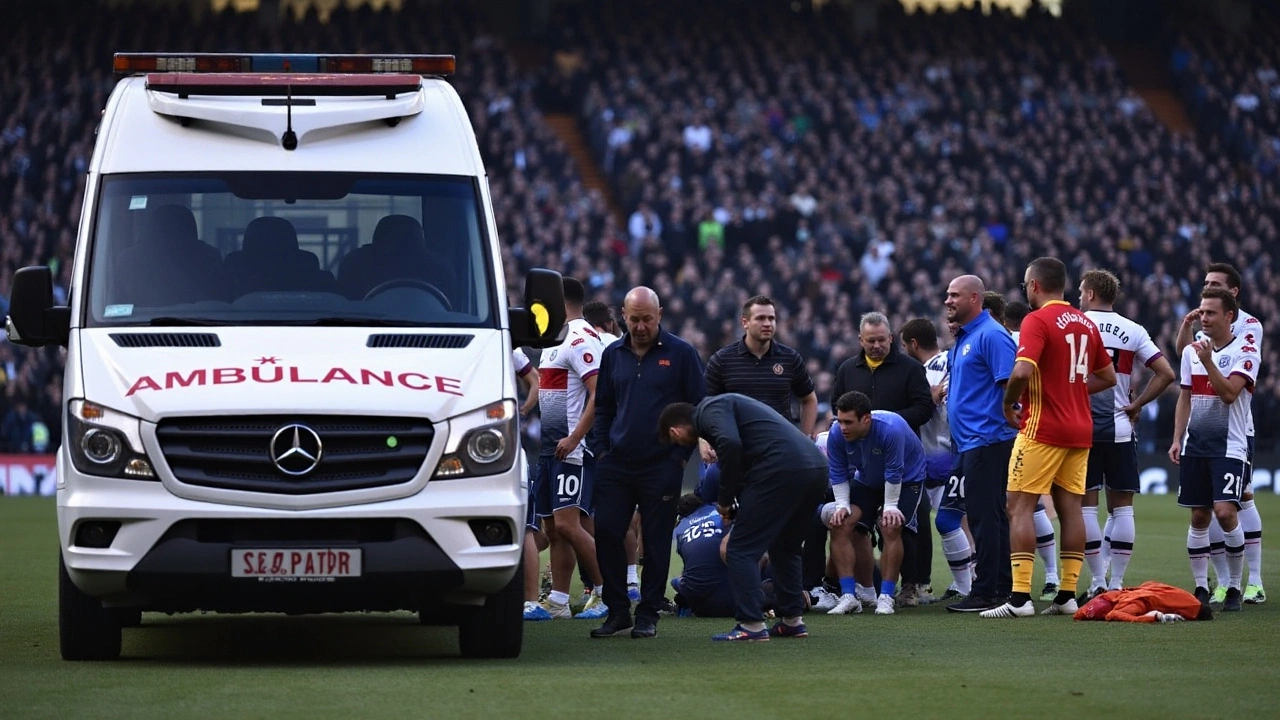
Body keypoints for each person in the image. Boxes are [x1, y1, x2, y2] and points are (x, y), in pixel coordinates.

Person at [982, 258, 1115, 619]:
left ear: (1035, 286)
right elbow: (1108, 376)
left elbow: (1023, 369)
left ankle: (1021, 598)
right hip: (1080, 429)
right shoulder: (1085, 322)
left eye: (1026, 284)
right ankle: (1068, 595)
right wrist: (1071, 389)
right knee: (1072, 509)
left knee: (1019, 506)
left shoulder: (1036, 320)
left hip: (1043, 428)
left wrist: (1010, 402)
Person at [659, 393, 828, 641]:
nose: (681, 444)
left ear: (675, 430)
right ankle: (792, 621)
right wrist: (736, 505)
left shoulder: (709, 408)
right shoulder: (736, 410)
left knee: (739, 550)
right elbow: (744, 460)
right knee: (785, 547)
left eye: (675, 439)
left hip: (781, 469)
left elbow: (730, 444)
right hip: (815, 467)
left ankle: (751, 624)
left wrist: (725, 501)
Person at [589, 286, 705, 639]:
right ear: (623, 315)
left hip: (661, 465)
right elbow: (604, 405)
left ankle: (649, 612)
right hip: (616, 463)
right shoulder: (613, 354)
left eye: (647, 319)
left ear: (660, 315)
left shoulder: (681, 353)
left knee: (655, 542)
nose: (640, 326)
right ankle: (618, 610)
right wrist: (602, 448)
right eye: (634, 319)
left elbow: (697, 408)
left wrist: (678, 457)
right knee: (607, 532)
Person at [1079, 269, 1176, 598]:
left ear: (1090, 294)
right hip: (1120, 427)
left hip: (1081, 428)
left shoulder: (1075, 324)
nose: (1080, 296)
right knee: (1122, 509)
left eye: (1081, 291)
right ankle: (1118, 582)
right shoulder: (1132, 330)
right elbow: (1166, 373)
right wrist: (1137, 405)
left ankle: (1096, 583)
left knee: (1086, 509)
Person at [1175, 263, 1266, 605]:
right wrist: (1175, 438)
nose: (1203, 317)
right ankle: (1204, 585)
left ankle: (1242, 584)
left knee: (1231, 508)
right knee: (1200, 514)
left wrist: (1209, 360)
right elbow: (1185, 392)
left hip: (1234, 440)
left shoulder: (1248, 338)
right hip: (1196, 444)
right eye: (1202, 311)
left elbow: (1230, 393)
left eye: (1211, 312)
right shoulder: (1195, 347)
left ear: (1231, 311)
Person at [830, 311, 934, 607]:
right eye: (870, 340)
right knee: (850, 524)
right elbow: (837, 408)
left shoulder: (910, 369)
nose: (876, 345)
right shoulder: (848, 369)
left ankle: (910, 585)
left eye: (881, 340)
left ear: (891, 338)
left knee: (903, 522)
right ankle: (856, 591)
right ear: (860, 340)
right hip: (867, 464)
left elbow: (924, 407)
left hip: (904, 459)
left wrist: (885, 426)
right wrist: (863, 429)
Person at [530, 277, 607, 620]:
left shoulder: (579, 337)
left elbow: (599, 391)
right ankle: (559, 601)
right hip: (551, 448)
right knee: (553, 529)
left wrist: (575, 437)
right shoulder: (554, 338)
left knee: (568, 525)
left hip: (570, 449)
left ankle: (608, 595)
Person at [942, 275, 1018, 613]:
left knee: (984, 517)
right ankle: (999, 586)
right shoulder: (967, 336)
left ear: (975, 298)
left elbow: (1011, 385)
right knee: (990, 515)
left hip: (989, 439)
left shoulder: (991, 336)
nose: (948, 301)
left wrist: (1002, 420)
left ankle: (986, 590)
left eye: (955, 295)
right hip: (972, 441)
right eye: (947, 295)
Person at [821, 391, 928, 617]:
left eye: (848, 422)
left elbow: (894, 471)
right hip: (868, 478)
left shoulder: (891, 429)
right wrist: (841, 505)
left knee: (890, 525)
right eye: (839, 421)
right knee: (841, 523)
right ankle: (851, 595)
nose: (842, 427)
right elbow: (838, 472)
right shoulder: (836, 433)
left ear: (866, 419)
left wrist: (889, 506)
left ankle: (886, 597)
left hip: (906, 479)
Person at [899, 317, 972, 602]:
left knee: (945, 521)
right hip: (960, 450)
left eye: (905, 345)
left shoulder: (922, 372)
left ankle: (963, 584)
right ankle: (970, 580)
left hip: (936, 459)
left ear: (913, 344)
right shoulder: (953, 361)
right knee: (963, 518)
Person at [703, 294, 818, 435]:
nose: (767, 323)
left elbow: (809, 399)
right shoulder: (722, 360)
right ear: (745, 322)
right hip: (739, 445)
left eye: (771, 318)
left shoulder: (790, 358)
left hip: (781, 443)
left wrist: (806, 436)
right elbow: (706, 405)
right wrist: (705, 438)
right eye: (760, 318)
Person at [670, 493, 734, 618]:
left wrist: (676, 582)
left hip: (704, 608)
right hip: (744, 600)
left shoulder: (681, 528)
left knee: (678, 582)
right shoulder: (721, 512)